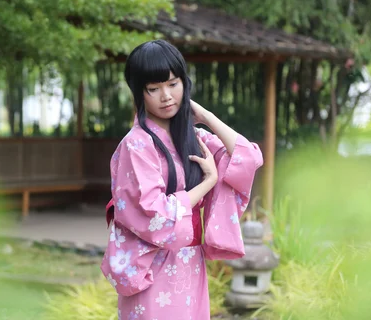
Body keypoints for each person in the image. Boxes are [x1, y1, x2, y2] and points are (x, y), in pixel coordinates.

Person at [100, 40, 263, 319]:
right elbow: (154, 213)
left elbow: (248, 158)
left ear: (185, 84)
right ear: (139, 93)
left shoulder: (192, 137)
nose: (166, 96)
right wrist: (207, 182)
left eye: (173, 84)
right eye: (153, 88)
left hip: (190, 262)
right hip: (153, 266)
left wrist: (207, 117)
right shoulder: (136, 145)